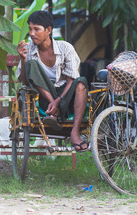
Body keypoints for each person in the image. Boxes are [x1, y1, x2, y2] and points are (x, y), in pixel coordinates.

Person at [16, 10, 89, 151]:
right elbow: (25, 82)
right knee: (31, 64)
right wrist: (23, 59)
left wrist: (58, 101)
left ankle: (74, 132)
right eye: (30, 29)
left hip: (65, 97)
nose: (32, 33)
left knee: (80, 82)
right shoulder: (28, 49)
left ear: (48, 30)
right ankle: (53, 110)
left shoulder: (65, 48)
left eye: (36, 29)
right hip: (43, 98)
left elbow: (71, 79)